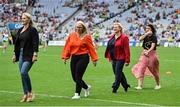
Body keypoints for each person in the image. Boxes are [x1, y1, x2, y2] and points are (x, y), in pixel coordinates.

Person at [62, 21, 98, 99]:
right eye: (77, 27)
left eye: (80, 27)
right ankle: (86, 87)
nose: (78, 28)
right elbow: (68, 46)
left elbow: (91, 48)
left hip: (83, 57)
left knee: (78, 76)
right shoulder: (72, 35)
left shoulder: (87, 36)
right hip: (74, 57)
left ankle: (77, 94)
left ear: (83, 28)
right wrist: (65, 56)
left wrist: (94, 59)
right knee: (74, 78)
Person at [12, 12, 39, 102]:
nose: (22, 19)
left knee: (24, 72)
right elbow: (17, 44)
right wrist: (14, 55)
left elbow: (35, 42)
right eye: (22, 18)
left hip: (29, 54)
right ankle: (25, 94)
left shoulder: (32, 30)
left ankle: (30, 92)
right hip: (21, 54)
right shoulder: (20, 30)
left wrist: (35, 54)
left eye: (24, 18)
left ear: (28, 19)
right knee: (22, 75)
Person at [132, 24, 161, 90]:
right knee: (141, 68)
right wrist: (146, 34)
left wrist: (148, 51)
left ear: (152, 29)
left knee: (154, 70)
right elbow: (140, 39)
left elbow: (153, 46)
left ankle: (158, 84)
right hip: (144, 53)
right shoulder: (145, 36)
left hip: (152, 54)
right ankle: (139, 85)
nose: (147, 29)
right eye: (146, 28)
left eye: (149, 28)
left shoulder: (154, 37)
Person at [105, 22, 130, 93]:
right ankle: (125, 85)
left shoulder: (124, 37)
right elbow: (110, 48)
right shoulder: (112, 37)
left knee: (118, 72)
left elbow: (127, 50)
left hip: (121, 58)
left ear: (120, 28)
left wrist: (127, 60)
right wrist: (110, 58)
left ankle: (115, 87)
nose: (114, 28)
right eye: (114, 27)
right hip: (113, 58)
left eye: (116, 27)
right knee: (117, 73)